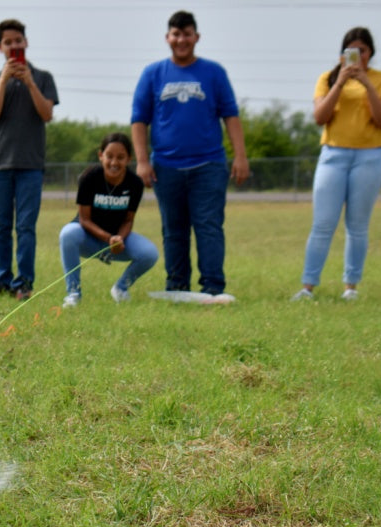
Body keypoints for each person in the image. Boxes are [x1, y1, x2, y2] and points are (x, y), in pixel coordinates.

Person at [131, 10, 249, 302]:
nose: (181, 40)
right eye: (176, 34)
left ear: (196, 37)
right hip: (166, 166)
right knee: (174, 229)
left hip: (208, 164)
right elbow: (138, 120)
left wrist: (240, 156)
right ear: (167, 38)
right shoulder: (153, 73)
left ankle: (212, 286)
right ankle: (177, 286)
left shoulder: (213, 72)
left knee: (208, 225)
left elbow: (231, 115)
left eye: (187, 34)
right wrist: (143, 161)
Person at [291, 27, 381, 302]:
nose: (356, 56)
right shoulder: (327, 79)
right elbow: (319, 116)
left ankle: (351, 287)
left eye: (361, 51)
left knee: (357, 225)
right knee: (323, 224)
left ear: (370, 53)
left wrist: (366, 83)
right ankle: (308, 287)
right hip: (333, 156)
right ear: (341, 55)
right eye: (350, 51)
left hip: (369, 156)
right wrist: (340, 83)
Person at [0, 18, 59, 301]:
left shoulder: (43, 77)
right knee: (1, 227)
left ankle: (23, 283)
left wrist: (29, 83)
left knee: (25, 227)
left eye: (18, 41)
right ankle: (2, 280)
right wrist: (4, 79)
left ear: (26, 42)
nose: (13, 46)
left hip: (30, 164)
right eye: (8, 42)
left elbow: (47, 114)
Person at [58, 132, 158, 307]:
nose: (114, 162)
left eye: (120, 157)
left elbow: (128, 220)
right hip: (88, 237)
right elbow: (84, 219)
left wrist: (119, 238)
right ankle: (73, 293)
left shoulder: (135, 183)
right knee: (68, 233)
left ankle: (121, 288)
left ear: (129, 159)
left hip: (116, 241)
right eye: (109, 156)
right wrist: (108, 238)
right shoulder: (89, 177)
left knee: (149, 253)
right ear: (100, 156)